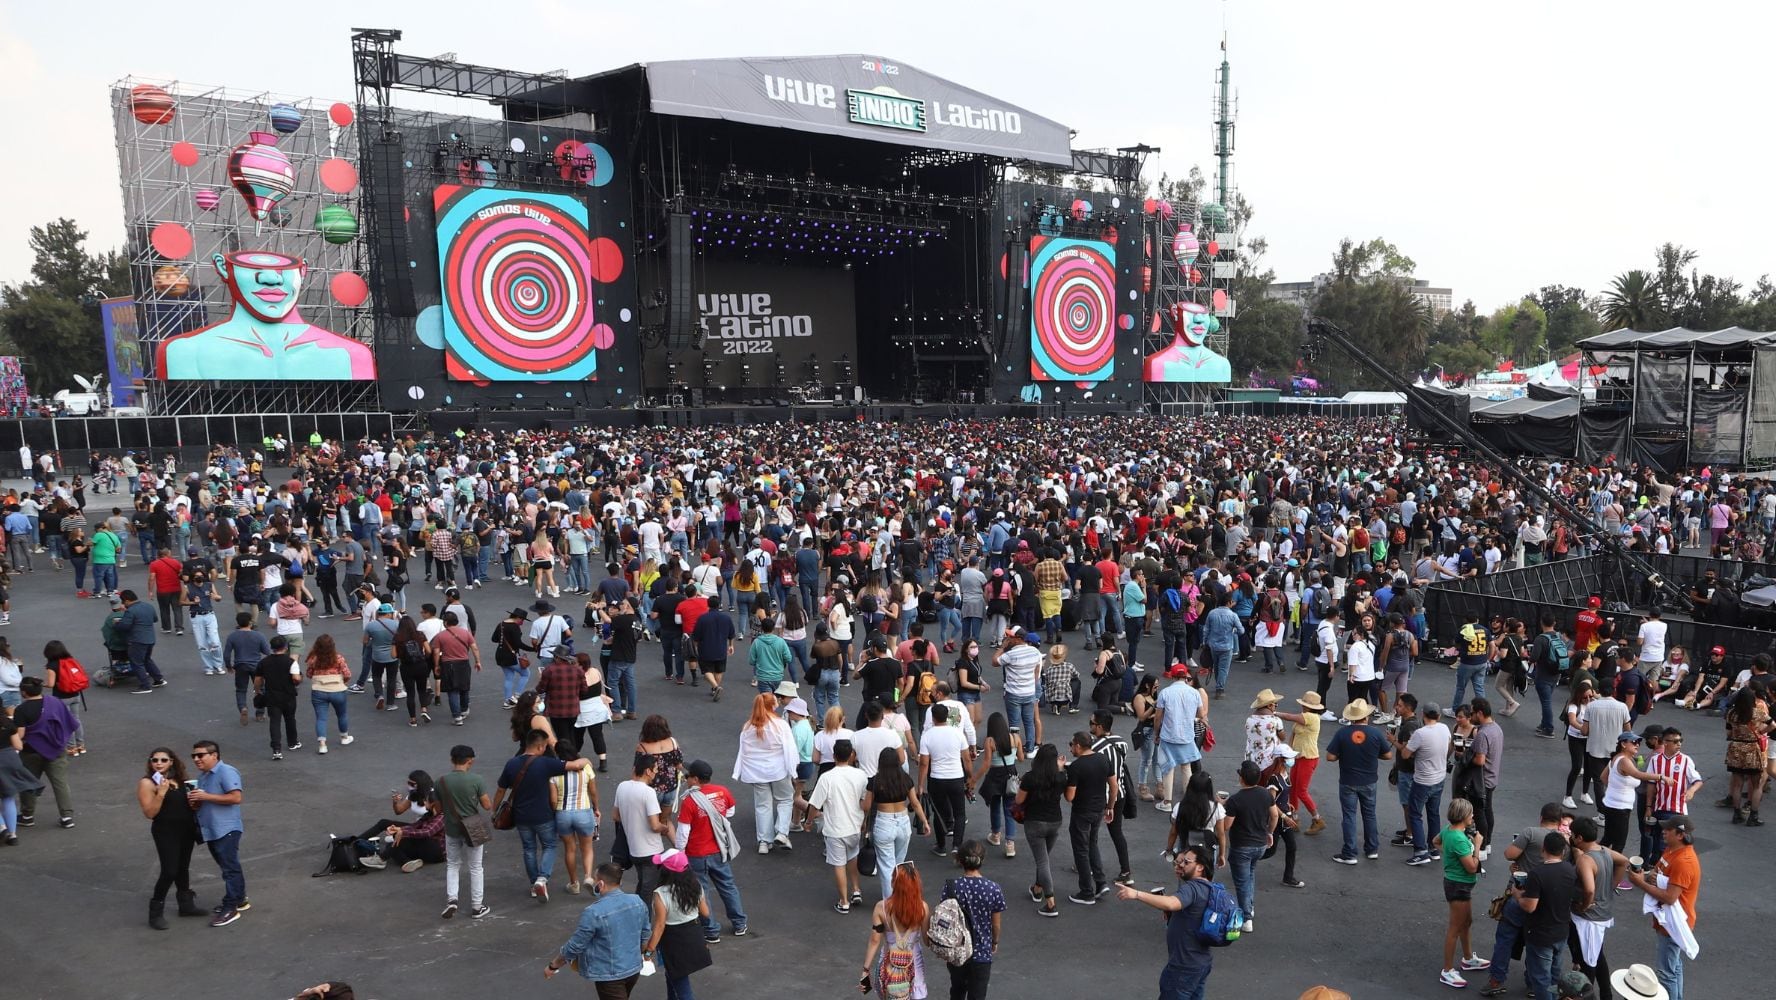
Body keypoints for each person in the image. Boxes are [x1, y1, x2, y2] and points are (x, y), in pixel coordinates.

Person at [496, 727, 590, 902]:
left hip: (521, 816)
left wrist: (495, 810)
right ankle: (542, 878)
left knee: (529, 849)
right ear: (540, 747)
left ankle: (534, 885)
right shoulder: (546, 763)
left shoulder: (512, 763)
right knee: (549, 846)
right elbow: (576, 765)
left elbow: (501, 789)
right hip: (544, 816)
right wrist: (585, 759)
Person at [1115, 845, 1217, 1000]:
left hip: (1183, 965)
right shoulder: (1211, 888)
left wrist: (1135, 894)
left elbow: (1171, 903)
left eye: (1186, 862)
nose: (1181, 865)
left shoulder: (1192, 889)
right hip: (1201, 963)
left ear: (1200, 867)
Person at [545, 862, 650, 998]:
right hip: (633, 969)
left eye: (594, 880)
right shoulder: (637, 902)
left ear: (600, 884)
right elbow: (645, 933)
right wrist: (642, 955)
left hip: (609, 976)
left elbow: (576, 945)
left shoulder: (594, 912)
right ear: (620, 881)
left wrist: (554, 965)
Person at [1625, 816, 1700, 1000]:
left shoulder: (1684, 861)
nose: (1664, 832)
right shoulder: (1671, 850)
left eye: (1668, 830)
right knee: (1674, 968)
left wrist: (1640, 883)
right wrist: (1646, 876)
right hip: (1666, 920)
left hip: (1673, 924)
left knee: (1666, 974)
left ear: (1681, 834)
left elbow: (1670, 898)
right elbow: (1658, 874)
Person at [675, 758, 749, 939]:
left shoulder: (690, 801)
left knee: (701, 892)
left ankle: (711, 930)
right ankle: (740, 924)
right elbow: (730, 811)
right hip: (719, 851)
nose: (687, 779)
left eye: (688, 776)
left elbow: (683, 832)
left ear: (695, 779)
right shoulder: (722, 791)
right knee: (728, 887)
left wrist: (679, 854)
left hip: (696, 854)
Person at [137, 745, 205, 928]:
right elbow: (150, 813)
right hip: (166, 831)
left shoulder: (179, 780)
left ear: (172, 762)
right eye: (155, 760)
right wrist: (160, 794)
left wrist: (195, 803)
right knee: (169, 871)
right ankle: (155, 911)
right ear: (150, 762)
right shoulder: (147, 783)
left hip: (187, 829)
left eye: (163, 760)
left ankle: (186, 905)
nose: (159, 763)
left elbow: (188, 806)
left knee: (183, 867)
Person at [188, 739, 248, 926]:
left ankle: (231, 908)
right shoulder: (204, 776)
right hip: (212, 829)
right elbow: (206, 802)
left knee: (230, 869)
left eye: (200, 755)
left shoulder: (226, 771)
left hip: (226, 829)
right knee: (227, 866)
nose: (196, 759)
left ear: (214, 755)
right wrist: (195, 801)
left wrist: (206, 796)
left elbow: (236, 797)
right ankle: (239, 899)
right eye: (194, 756)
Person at [1433, 797, 1491, 988]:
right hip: (1458, 885)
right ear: (1464, 816)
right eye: (1471, 813)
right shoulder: (1459, 839)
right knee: (1455, 928)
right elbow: (1472, 868)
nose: (1473, 816)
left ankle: (1467, 958)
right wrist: (1477, 846)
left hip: (1459, 884)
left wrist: (1449, 856)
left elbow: (1436, 841)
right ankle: (1447, 970)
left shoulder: (1449, 831)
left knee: (1466, 922)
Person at [807, 738, 870, 913]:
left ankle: (843, 902)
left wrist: (809, 821)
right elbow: (864, 802)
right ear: (852, 755)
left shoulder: (827, 778)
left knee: (839, 864)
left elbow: (814, 805)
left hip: (835, 829)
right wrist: (864, 821)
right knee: (852, 857)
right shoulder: (861, 775)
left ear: (834, 756)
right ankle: (856, 889)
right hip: (854, 826)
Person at [1326, 699, 1392, 866]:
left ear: (1351, 717)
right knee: (1369, 814)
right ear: (1366, 716)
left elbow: (1330, 757)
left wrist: (1344, 754)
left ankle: (1349, 853)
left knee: (1349, 816)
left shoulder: (1342, 733)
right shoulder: (1376, 734)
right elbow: (1388, 755)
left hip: (1348, 781)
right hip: (1369, 781)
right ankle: (1372, 849)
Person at [1569, 816, 1629, 998]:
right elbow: (1624, 861)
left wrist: (1583, 907)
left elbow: (1589, 889)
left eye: (1572, 835)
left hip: (1588, 919)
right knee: (1597, 955)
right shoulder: (1604, 851)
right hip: (1603, 914)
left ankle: (1588, 995)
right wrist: (1611, 886)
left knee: (1588, 961)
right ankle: (1606, 994)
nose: (1570, 838)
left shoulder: (1585, 860)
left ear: (1579, 838)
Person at [644, 848, 715, 1000]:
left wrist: (648, 951)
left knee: (682, 986)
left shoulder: (660, 894)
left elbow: (660, 926)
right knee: (673, 977)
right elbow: (706, 913)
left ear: (666, 871)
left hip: (673, 943)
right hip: (694, 936)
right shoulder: (696, 886)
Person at [1517, 830, 1579, 1000]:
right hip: (1561, 931)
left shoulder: (1537, 874)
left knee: (1541, 977)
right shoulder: (1570, 869)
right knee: (1554, 973)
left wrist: (1517, 895)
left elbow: (1530, 906)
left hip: (1541, 934)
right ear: (1563, 851)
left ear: (1543, 849)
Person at [864, 745, 931, 900]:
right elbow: (915, 803)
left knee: (886, 866)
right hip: (903, 822)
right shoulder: (905, 779)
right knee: (899, 864)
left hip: (884, 822)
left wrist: (863, 821)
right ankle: (901, 897)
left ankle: (890, 903)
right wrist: (925, 821)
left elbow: (867, 807)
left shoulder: (875, 781)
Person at [940, 840, 1005, 1000]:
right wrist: (994, 942)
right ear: (982, 860)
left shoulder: (951, 887)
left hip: (957, 951)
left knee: (957, 990)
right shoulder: (993, 889)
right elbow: (995, 925)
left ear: (960, 861)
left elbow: (943, 916)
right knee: (977, 995)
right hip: (981, 952)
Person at [437, 744, 493, 920]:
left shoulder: (441, 781)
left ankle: (452, 899)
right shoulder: (476, 780)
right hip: (473, 827)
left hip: (451, 828)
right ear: (470, 761)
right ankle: (477, 906)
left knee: (453, 864)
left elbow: (438, 808)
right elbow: (487, 805)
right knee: (476, 867)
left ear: (452, 760)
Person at [859, 861, 930, 1000]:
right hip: (913, 961)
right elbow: (927, 941)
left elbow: (875, 940)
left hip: (889, 960)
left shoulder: (881, 908)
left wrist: (865, 970)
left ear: (894, 883)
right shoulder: (923, 908)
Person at [1221, 759, 1277, 932]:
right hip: (1260, 845)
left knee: (1242, 882)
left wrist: (1222, 807)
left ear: (1242, 779)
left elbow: (1226, 826)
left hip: (1242, 847)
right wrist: (1269, 833)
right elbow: (1274, 815)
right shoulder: (1265, 794)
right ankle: (1249, 906)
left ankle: (1246, 918)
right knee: (1250, 875)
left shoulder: (1236, 800)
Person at [1064, 729, 1116, 906]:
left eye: (1071, 745)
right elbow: (1113, 785)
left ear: (1078, 745)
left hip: (1082, 812)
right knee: (1092, 844)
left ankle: (1086, 892)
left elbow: (1070, 797)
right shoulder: (1103, 759)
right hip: (1099, 809)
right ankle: (1101, 883)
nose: (1071, 748)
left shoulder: (1077, 767)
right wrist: (1110, 806)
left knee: (1081, 850)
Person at [919, 701, 974, 856]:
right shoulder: (957, 734)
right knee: (960, 813)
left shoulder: (927, 736)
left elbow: (924, 763)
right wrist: (970, 777)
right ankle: (957, 845)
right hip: (956, 777)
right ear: (948, 717)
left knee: (939, 813)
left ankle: (941, 845)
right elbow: (966, 759)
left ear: (933, 719)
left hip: (937, 779)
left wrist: (920, 785)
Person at [1400, 702, 1451, 866]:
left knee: (1415, 814)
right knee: (1433, 812)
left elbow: (1406, 754)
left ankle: (1420, 851)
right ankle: (1434, 847)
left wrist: (1406, 745)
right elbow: (1449, 747)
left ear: (1423, 714)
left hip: (1423, 780)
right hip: (1439, 777)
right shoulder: (1444, 728)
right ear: (1439, 716)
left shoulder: (1420, 734)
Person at [1152, 664, 1206, 810]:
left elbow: (1158, 717)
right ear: (1185, 676)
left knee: (1168, 768)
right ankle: (1189, 801)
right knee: (1186, 767)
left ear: (1173, 676)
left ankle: (1167, 802)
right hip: (1187, 735)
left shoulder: (1165, 692)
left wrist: (1156, 733)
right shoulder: (1194, 693)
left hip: (1168, 735)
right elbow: (1201, 714)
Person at [971, 713, 1021, 860]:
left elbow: (986, 764)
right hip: (1011, 775)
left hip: (995, 777)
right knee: (1009, 809)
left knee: (994, 806)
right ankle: (1010, 844)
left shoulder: (990, 741)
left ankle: (995, 835)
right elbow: (1022, 757)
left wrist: (974, 779)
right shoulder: (1015, 738)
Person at [1721, 687, 1770, 825]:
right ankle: (1753, 816)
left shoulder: (1731, 713)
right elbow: (1773, 724)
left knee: (1737, 784)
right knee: (1756, 784)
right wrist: (1761, 732)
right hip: (1752, 749)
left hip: (1736, 749)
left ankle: (1736, 815)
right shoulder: (1757, 713)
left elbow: (1728, 733)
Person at [252, 636, 301, 759]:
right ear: (285, 647)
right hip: (288, 695)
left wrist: (257, 691)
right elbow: (296, 678)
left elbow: (258, 680)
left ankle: (276, 750)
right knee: (290, 719)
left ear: (272, 648)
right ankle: (292, 742)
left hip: (272, 696)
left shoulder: (264, 662)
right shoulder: (291, 662)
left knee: (274, 721)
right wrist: (298, 681)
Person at [304, 633, 353, 756]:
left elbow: (309, 675)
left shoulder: (313, 659)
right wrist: (343, 681)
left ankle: (322, 745)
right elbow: (347, 674)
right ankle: (344, 737)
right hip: (337, 690)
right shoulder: (338, 658)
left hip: (319, 691)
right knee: (342, 714)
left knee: (321, 718)